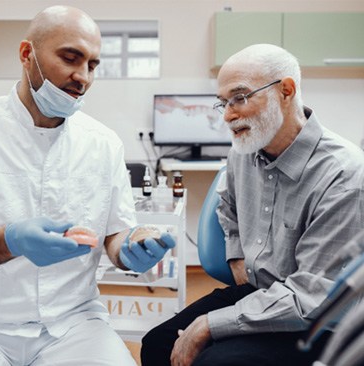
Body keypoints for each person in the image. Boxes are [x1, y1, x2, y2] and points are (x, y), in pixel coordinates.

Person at [0, 6, 175, 365]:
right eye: (70, 57)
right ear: (27, 54)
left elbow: (114, 235)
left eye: (93, 64)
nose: (83, 77)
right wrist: (8, 240)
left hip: (75, 324)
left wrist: (131, 248)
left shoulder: (103, 143)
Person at [141, 43, 364, 366]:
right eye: (223, 103)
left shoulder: (345, 175)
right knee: (157, 345)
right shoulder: (243, 151)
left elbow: (312, 296)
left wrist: (210, 325)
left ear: (286, 91)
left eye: (240, 97)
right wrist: (236, 255)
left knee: (214, 361)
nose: (229, 114)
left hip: (317, 317)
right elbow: (226, 205)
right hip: (261, 293)